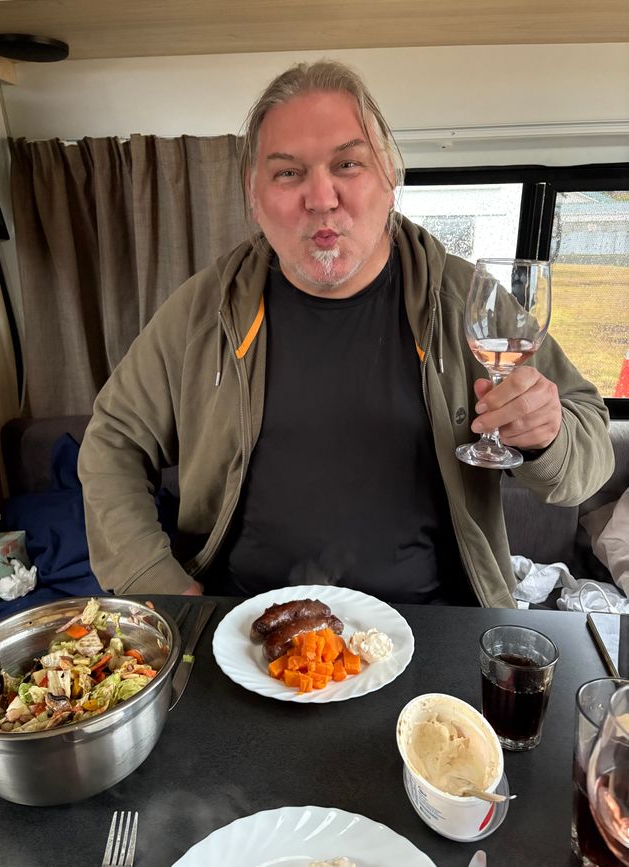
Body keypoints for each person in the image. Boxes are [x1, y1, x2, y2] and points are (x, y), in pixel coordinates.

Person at [78, 59, 614, 608]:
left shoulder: (464, 300)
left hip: (431, 628)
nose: (321, 197)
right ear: (254, 195)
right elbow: (113, 441)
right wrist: (160, 585)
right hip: (243, 629)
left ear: (390, 178)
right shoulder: (201, 311)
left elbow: (588, 459)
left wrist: (547, 436)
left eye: (348, 164)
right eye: (287, 173)